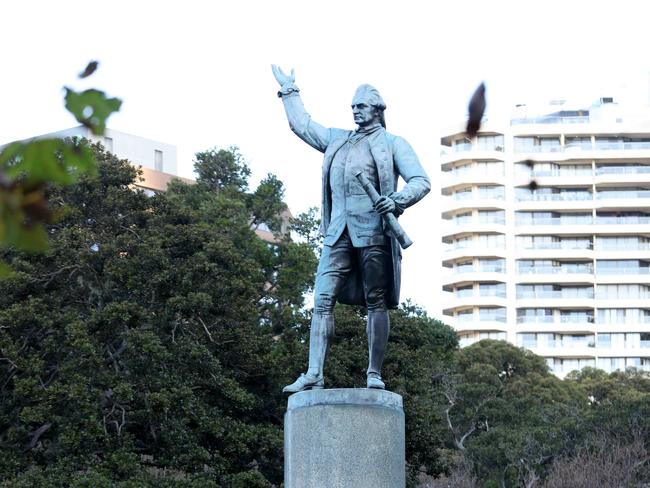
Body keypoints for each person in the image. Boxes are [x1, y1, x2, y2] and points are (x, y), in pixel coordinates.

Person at [272, 65, 430, 393]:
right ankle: (314, 371)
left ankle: (374, 372)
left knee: (377, 302)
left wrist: (397, 199)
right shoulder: (337, 140)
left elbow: (421, 181)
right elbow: (301, 125)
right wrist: (290, 91)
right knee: (321, 300)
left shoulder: (393, 144)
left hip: (374, 232)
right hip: (337, 232)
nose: (356, 111)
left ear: (378, 110)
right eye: (353, 106)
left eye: (362, 106)